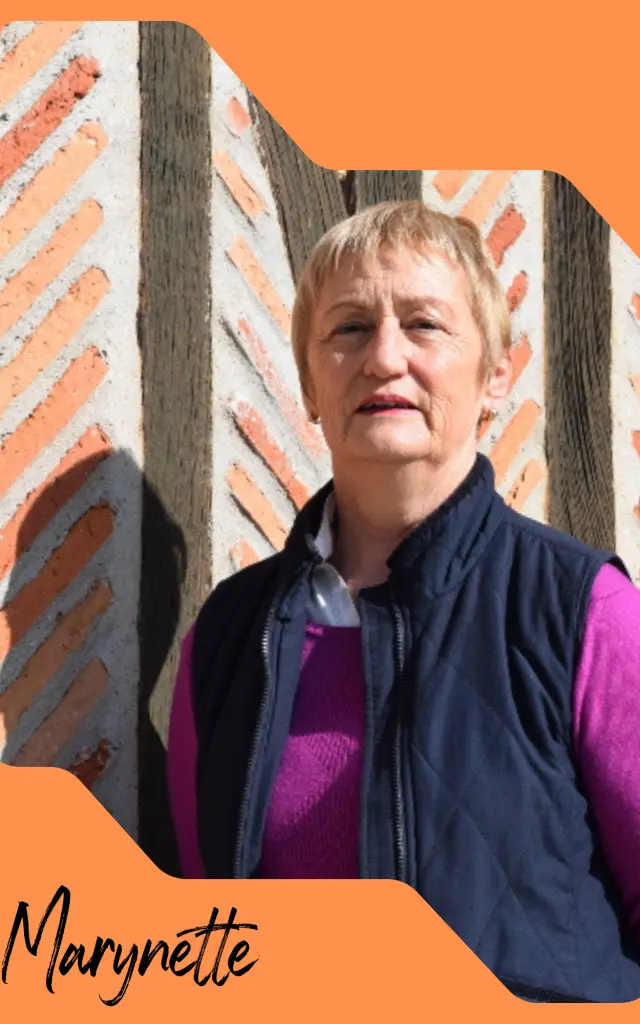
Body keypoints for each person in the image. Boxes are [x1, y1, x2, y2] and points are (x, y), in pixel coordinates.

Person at [167, 200, 640, 1002]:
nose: (384, 357)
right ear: (310, 384)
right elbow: (202, 930)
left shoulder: (580, 609)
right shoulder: (228, 636)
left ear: (493, 377)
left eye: (424, 325)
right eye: (350, 328)